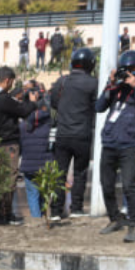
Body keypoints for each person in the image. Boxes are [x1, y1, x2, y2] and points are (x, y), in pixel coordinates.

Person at [96, 50, 135, 243]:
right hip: (110, 142)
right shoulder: (116, 89)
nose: (127, 74)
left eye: (131, 71)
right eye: (125, 70)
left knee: (130, 185)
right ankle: (115, 218)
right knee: (106, 184)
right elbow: (99, 107)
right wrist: (110, 84)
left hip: (128, 143)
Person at [0, 67, 38, 225]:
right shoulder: (3, 99)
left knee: (0, 180)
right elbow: (23, 111)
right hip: (8, 144)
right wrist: (33, 103)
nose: (12, 86)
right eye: (12, 82)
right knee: (9, 179)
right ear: (7, 80)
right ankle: (5, 214)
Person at [49, 47, 99, 219]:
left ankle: (56, 210)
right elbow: (97, 106)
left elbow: (54, 103)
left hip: (62, 134)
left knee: (59, 173)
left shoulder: (61, 81)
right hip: (82, 134)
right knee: (80, 173)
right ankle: (76, 208)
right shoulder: (93, 83)